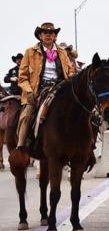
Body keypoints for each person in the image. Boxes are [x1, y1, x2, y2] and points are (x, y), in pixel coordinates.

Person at [13, 23, 74, 160]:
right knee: (27, 114)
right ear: (40, 36)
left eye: (51, 33)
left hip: (60, 88)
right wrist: (29, 92)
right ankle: (21, 147)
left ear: (55, 36)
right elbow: (22, 77)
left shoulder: (62, 52)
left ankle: (84, 146)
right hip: (38, 89)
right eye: (45, 33)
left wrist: (70, 82)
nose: (48, 35)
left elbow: (70, 71)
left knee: (77, 109)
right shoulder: (30, 52)